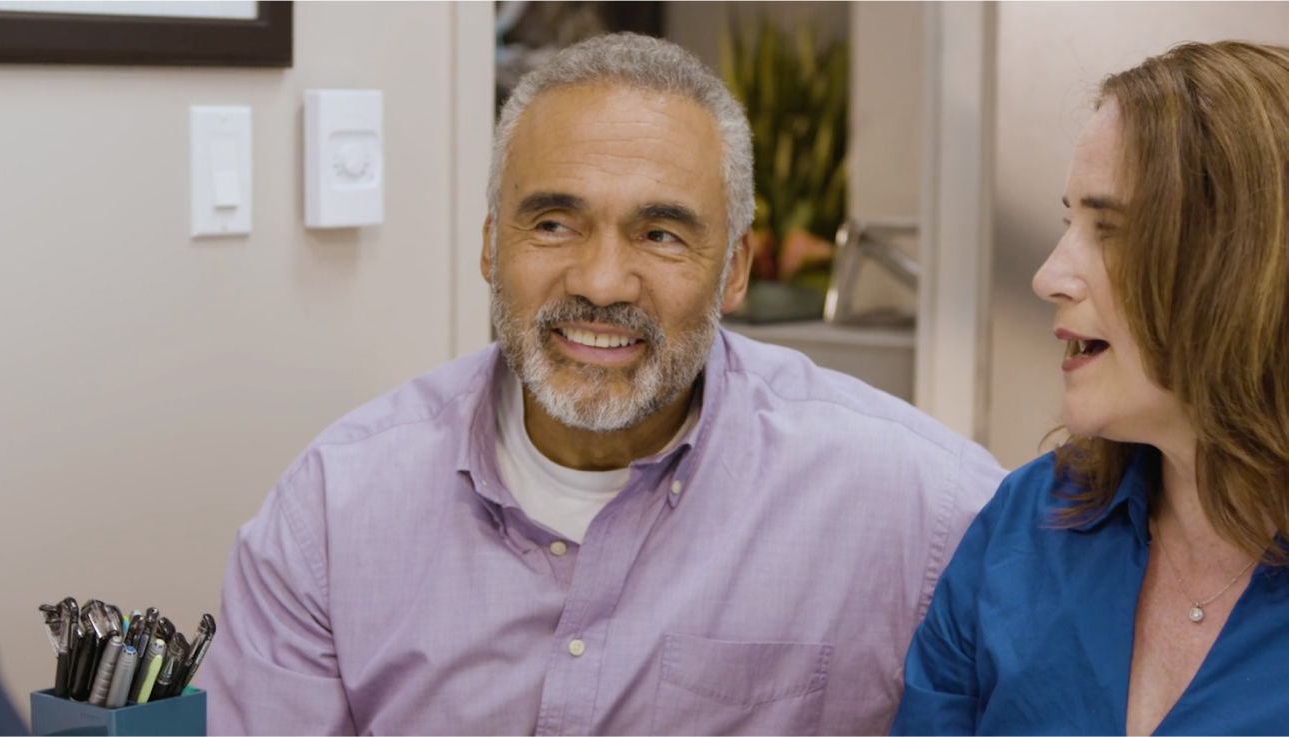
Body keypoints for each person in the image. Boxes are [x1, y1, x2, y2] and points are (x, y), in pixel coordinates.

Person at [203, 33, 1004, 735]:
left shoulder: (920, 506)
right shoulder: (331, 516)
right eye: (554, 223)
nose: (602, 279)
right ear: (490, 246)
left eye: (660, 234)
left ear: (735, 272)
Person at [892, 41, 1289, 735]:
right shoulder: (1024, 524)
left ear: (1244, 268)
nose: (1050, 275)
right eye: (1068, 222)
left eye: (1111, 231)